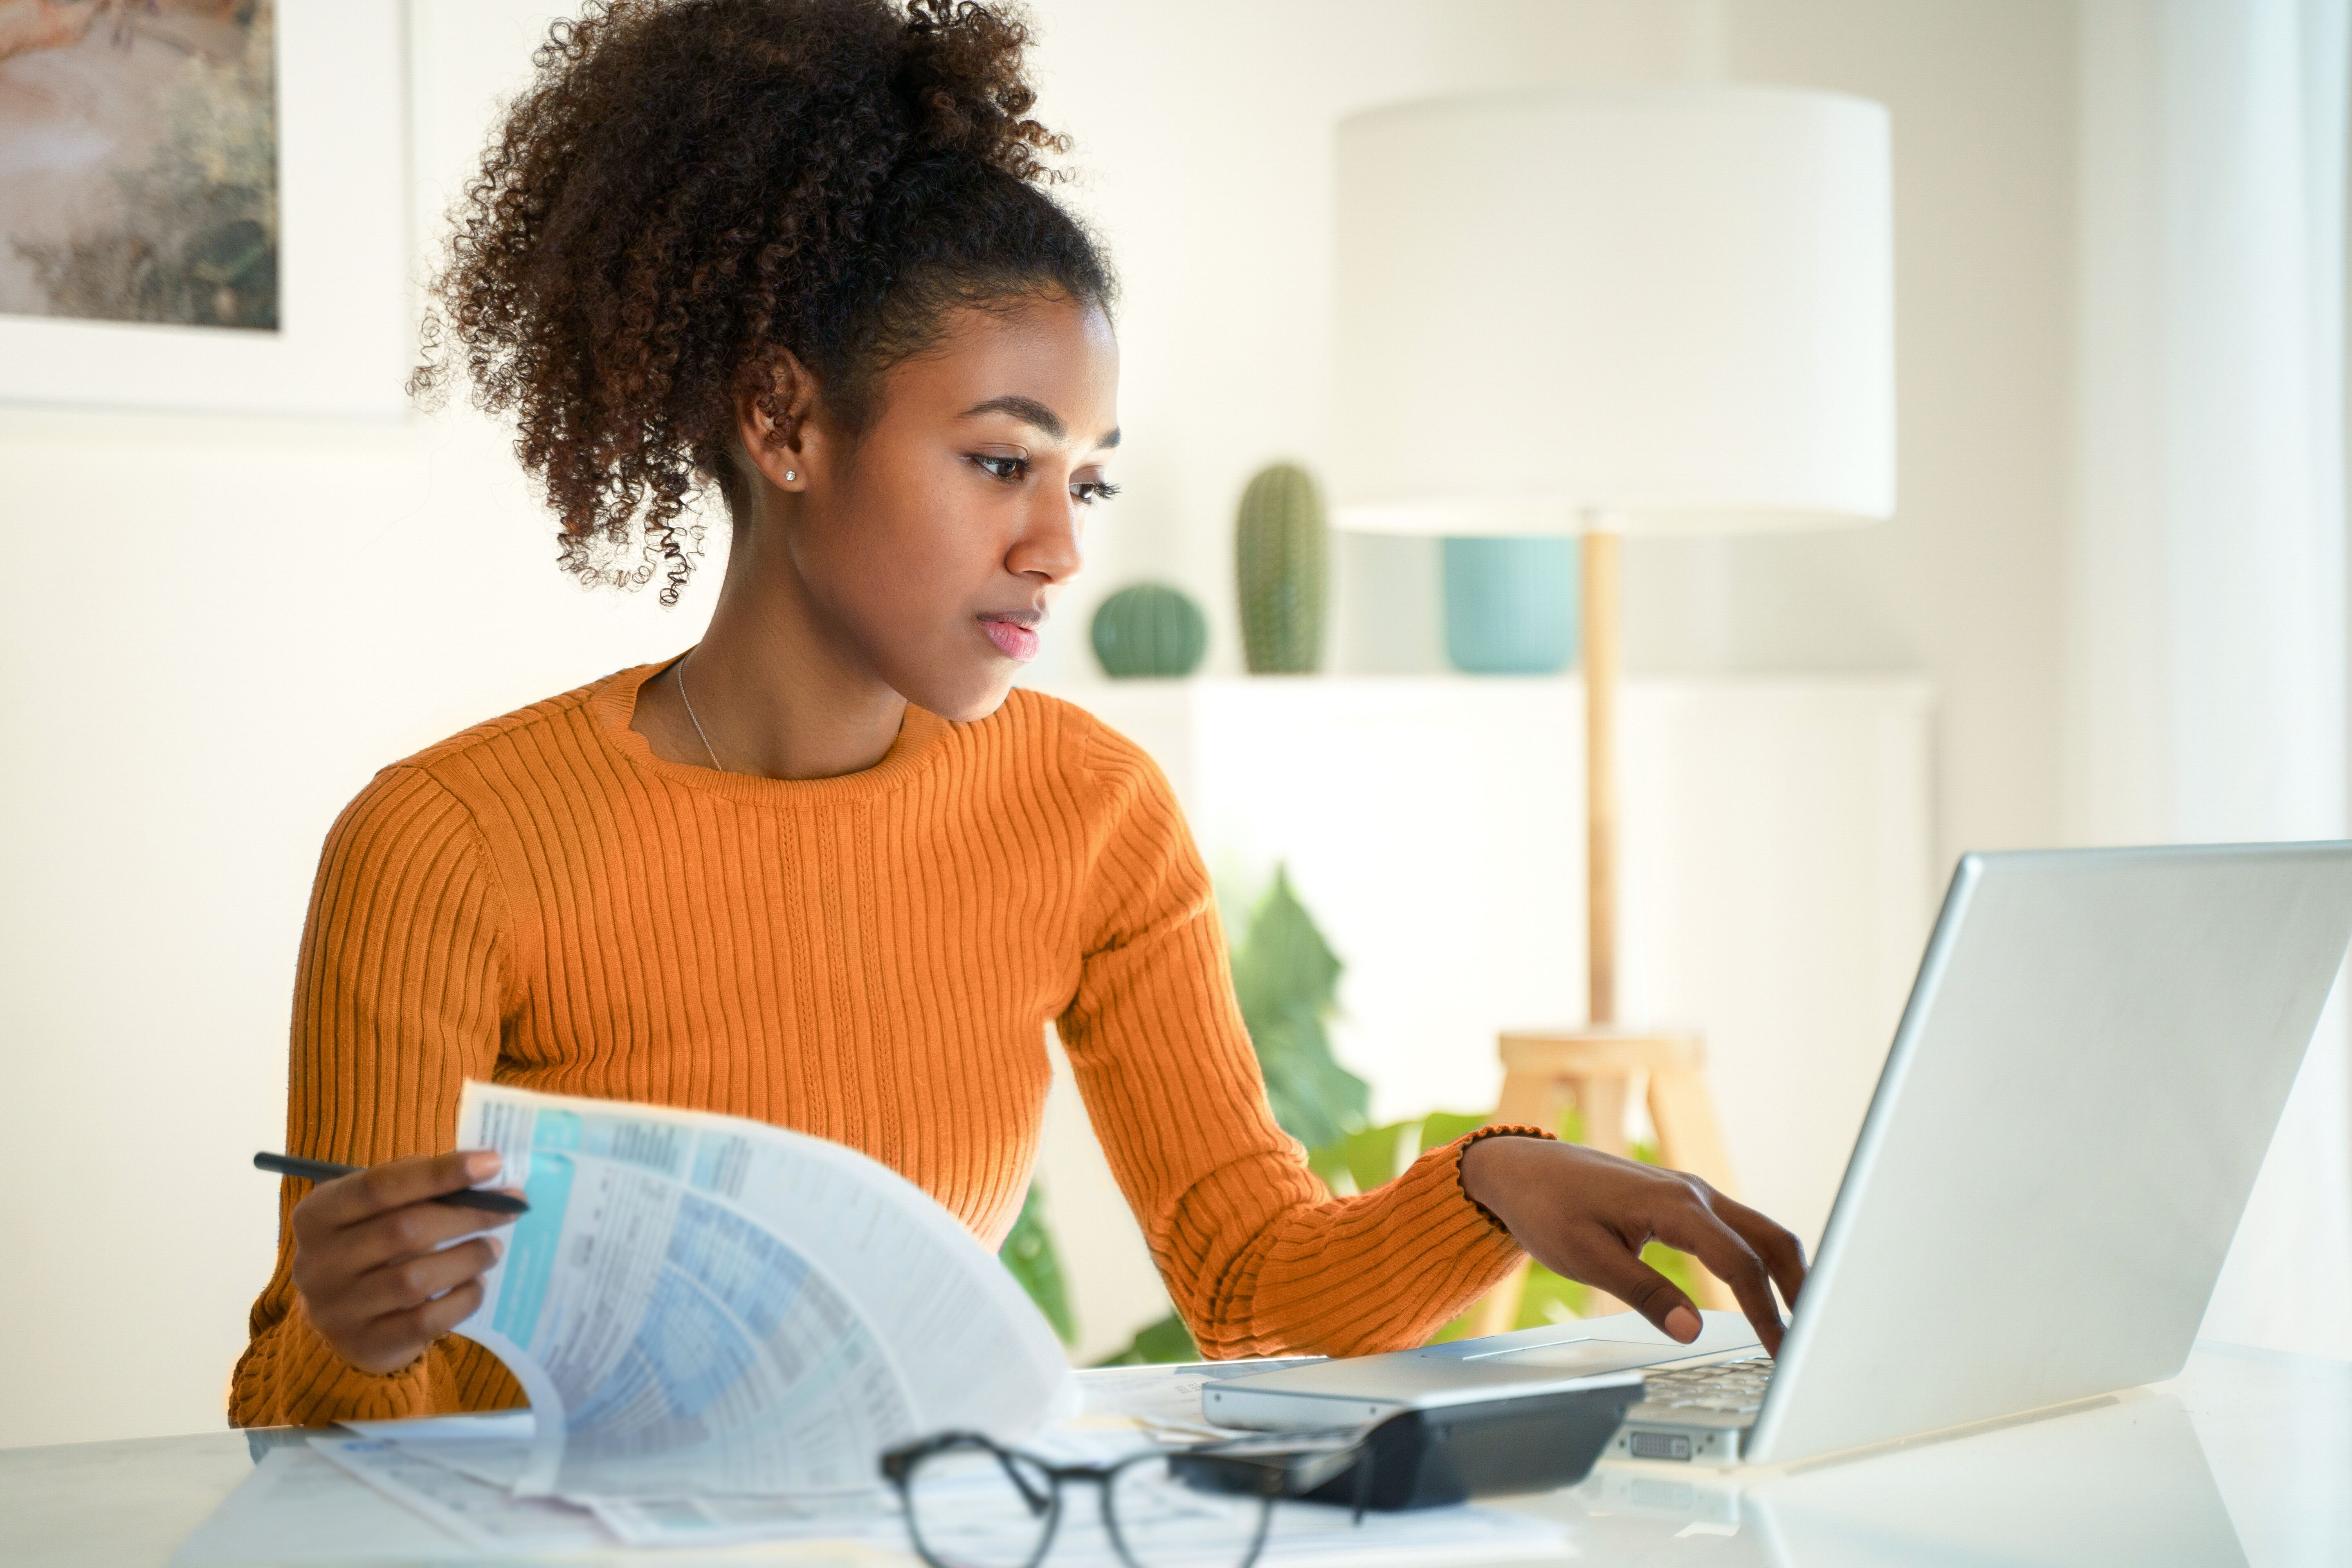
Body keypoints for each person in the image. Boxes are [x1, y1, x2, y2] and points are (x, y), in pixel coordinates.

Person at [231, 0, 1806, 1428]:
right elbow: (306, 1417)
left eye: (1089, 479)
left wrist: (1493, 1183)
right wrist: (352, 1336)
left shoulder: (1088, 809)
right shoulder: (445, 845)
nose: (1058, 547)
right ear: (784, 419)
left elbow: (1252, 1282)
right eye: (1001, 460)